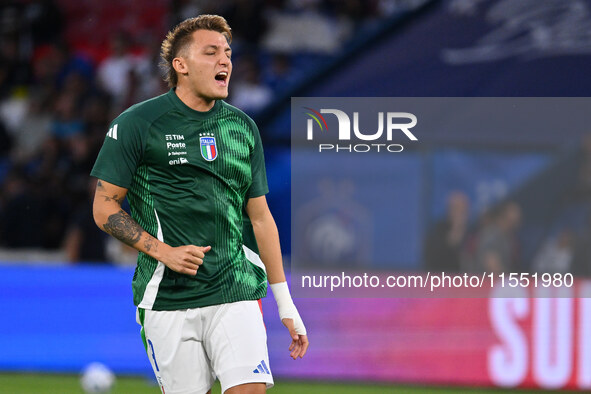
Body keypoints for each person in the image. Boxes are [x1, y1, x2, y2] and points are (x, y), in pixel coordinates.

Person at [90, 15, 308, 394]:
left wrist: (285, 305)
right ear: (181, 65)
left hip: (235, 288)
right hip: (167, 297)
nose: (225, 61)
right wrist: (164, 252)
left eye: (227, 53)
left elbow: (260, 219)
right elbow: (104, 206)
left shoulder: (242, 128)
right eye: (211, 53)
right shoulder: (139, 124)